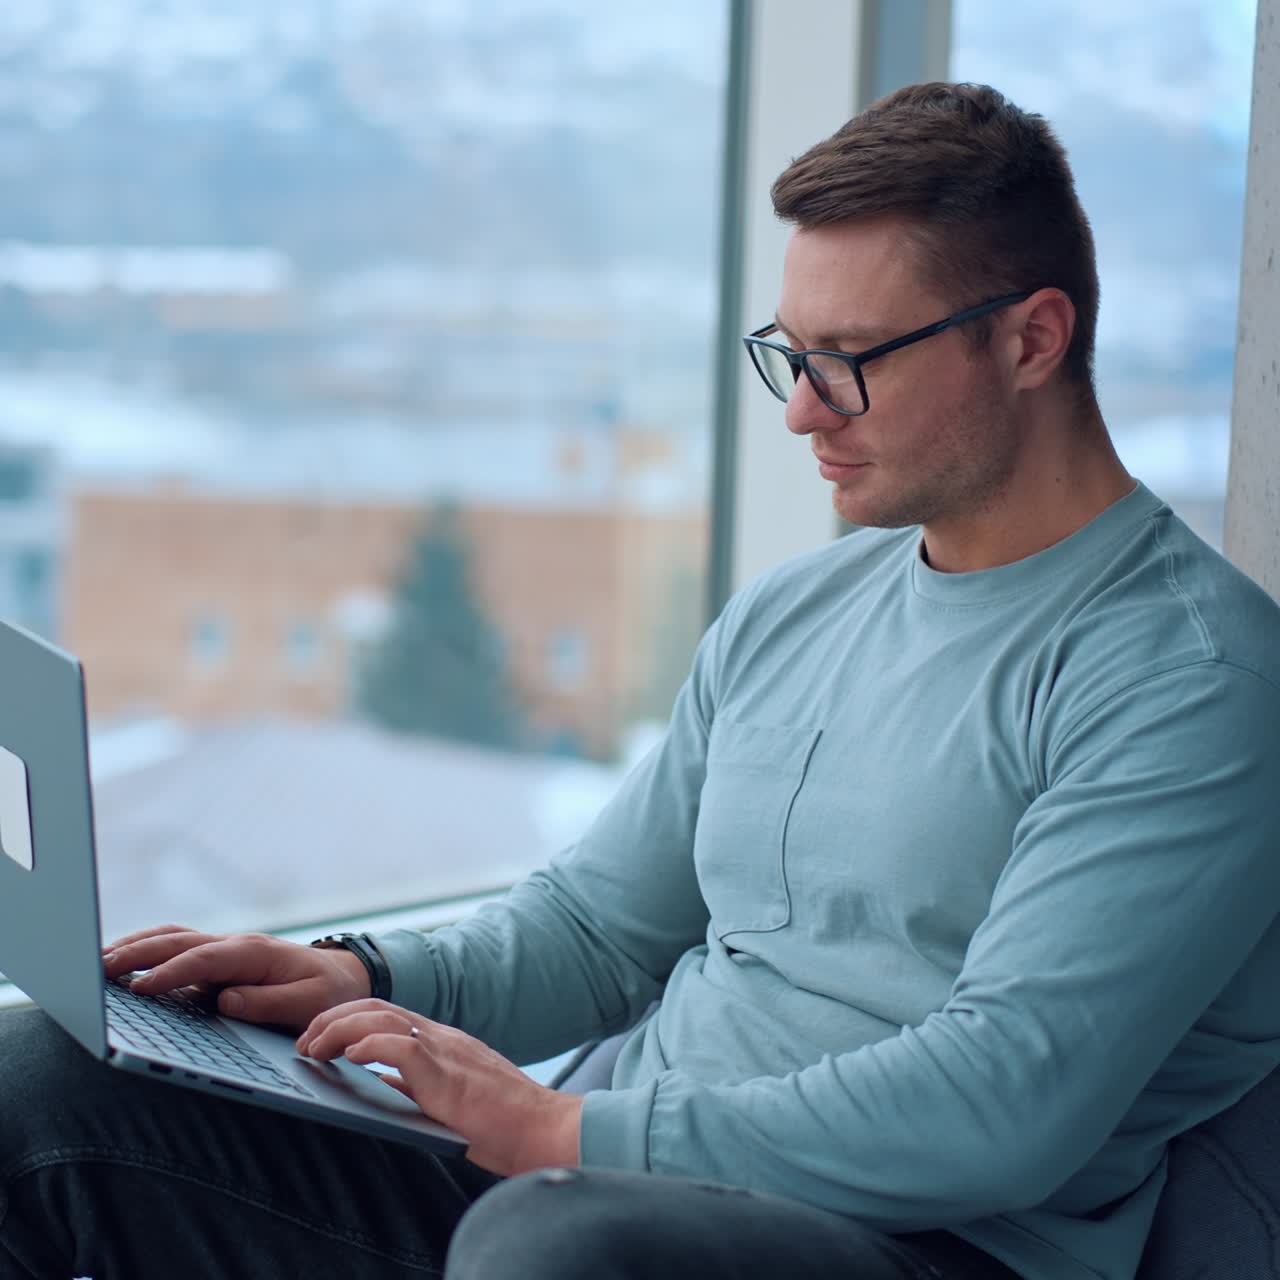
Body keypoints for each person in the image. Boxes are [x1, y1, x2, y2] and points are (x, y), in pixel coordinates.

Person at [3, 80, 1279, 1280]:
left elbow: (1001, 1102)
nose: (801, 412)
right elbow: (596, 931)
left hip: (910, 1241)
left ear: (1030, 339)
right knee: (42, 1076)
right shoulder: (800, 607)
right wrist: (363, 976)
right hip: (587, 1181)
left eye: (852, 358)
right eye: (788, 354)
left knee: (554, 1251)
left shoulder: (1188, 677)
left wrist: (564, 1133)